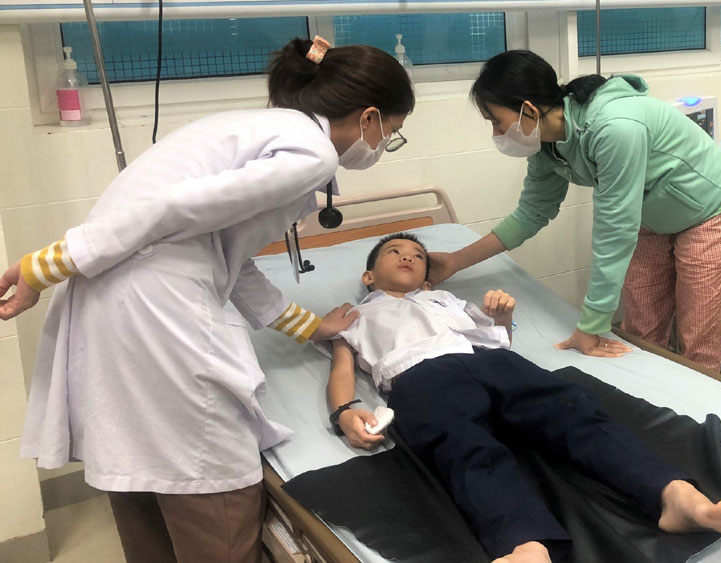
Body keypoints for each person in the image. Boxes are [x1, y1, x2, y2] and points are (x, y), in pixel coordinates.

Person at [0, 37, 414, 562]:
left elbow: (230, 258)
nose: (382, 145)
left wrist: (311, 328)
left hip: (117, 298)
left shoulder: (262, 128)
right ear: (370, 117)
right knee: (216, 479)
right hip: (155, 302)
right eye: (390, 133)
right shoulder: (312, 152)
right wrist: (45, 266)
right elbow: (172, 208)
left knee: (139, 468)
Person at [328, 233, 721, 563]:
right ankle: (526, 544)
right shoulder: (355, 316)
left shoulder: (446, 299)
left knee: (572, 410)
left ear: (427, 278)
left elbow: (500, 341)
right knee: (463, 445)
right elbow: (342, 368)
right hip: (419, 376)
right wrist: (344, 411)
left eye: (418, 256)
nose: (407, 257)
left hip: (486, 359)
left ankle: (671, 493)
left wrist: (503, 318)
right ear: (369, 277)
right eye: (394, 252)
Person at [428, 50, 721, 371]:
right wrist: (454, 261)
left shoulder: (614, 127)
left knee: (698, 341)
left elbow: (615, 229)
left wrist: (591, 325)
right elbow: (530, 215)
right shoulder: (547, 146)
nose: (496, 133)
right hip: (653, 218)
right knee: (642, 331)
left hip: (708, 212)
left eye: (496, 121)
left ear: (528, 109)